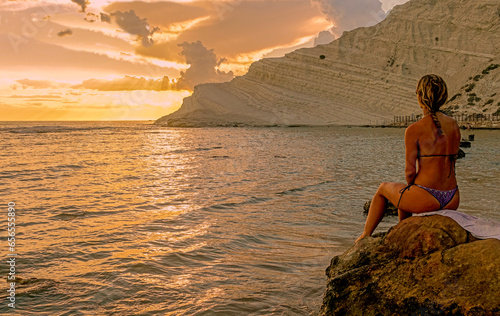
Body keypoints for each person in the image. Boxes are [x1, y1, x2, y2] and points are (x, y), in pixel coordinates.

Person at [356, 74, 461, 243]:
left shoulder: (414, 129)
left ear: (420, 96)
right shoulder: (454, 125)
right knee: (407, 191)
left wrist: (414, 190)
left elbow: (410, 172)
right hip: (452, 198)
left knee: (384, 189)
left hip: (428, 198)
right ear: (443, 96)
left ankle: (365, 235)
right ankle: (403, 230)